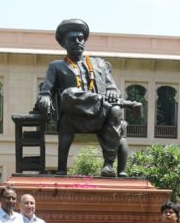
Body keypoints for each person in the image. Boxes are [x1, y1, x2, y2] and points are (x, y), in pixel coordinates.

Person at [36, 18, 138, 177]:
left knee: (116, 110)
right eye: (72, 39)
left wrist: (112, 91)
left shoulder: (100, 64)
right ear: (63, 43)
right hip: (73, 116)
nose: (77, 42)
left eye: (80, 38)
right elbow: (46, 90)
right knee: (68, 93)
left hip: (100, 117)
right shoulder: (56, 66)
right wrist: (44, 97)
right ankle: (123, 103)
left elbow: (112, 87)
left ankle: (108, 165)